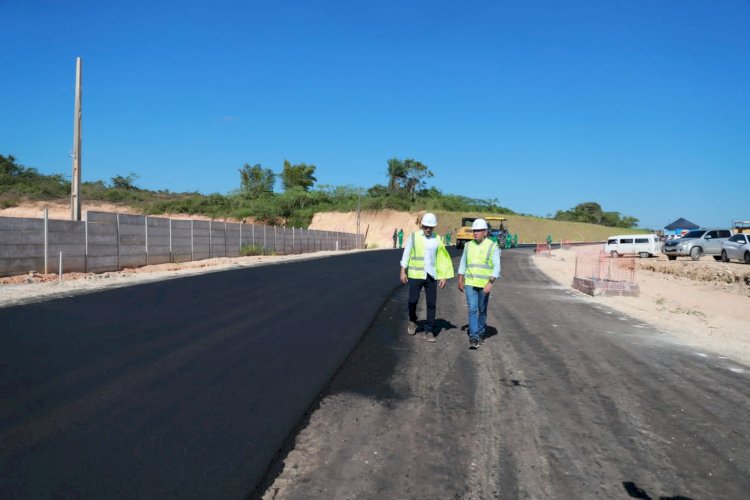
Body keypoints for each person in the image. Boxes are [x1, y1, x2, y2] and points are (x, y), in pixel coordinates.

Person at [400, 213, 454, 342]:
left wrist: (443, 276)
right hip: (415, 275)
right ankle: (413, 320)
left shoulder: (437, 239)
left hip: (431, 275)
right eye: (426, 226)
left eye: (431, 227)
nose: (428, 229)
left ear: (434, 227)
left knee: (431, 303)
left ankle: (429, 330)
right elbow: (406, 254)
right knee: (412, 301)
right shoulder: (413, 237)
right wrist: (403, 271)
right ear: (422, 225)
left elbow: (441, 259)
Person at [457, 218, 501, 349]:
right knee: (472, 308)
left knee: (482, 310)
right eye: (474, 230)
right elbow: (463, 263)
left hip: (484, 284)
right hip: (470, 282)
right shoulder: (468, 245)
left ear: (485, 232)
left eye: (478, 231)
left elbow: (497, 266)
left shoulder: (492, 246)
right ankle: (474, 336)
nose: (475, 233)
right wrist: (460, 278)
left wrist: (490, 283)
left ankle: (481, 332)